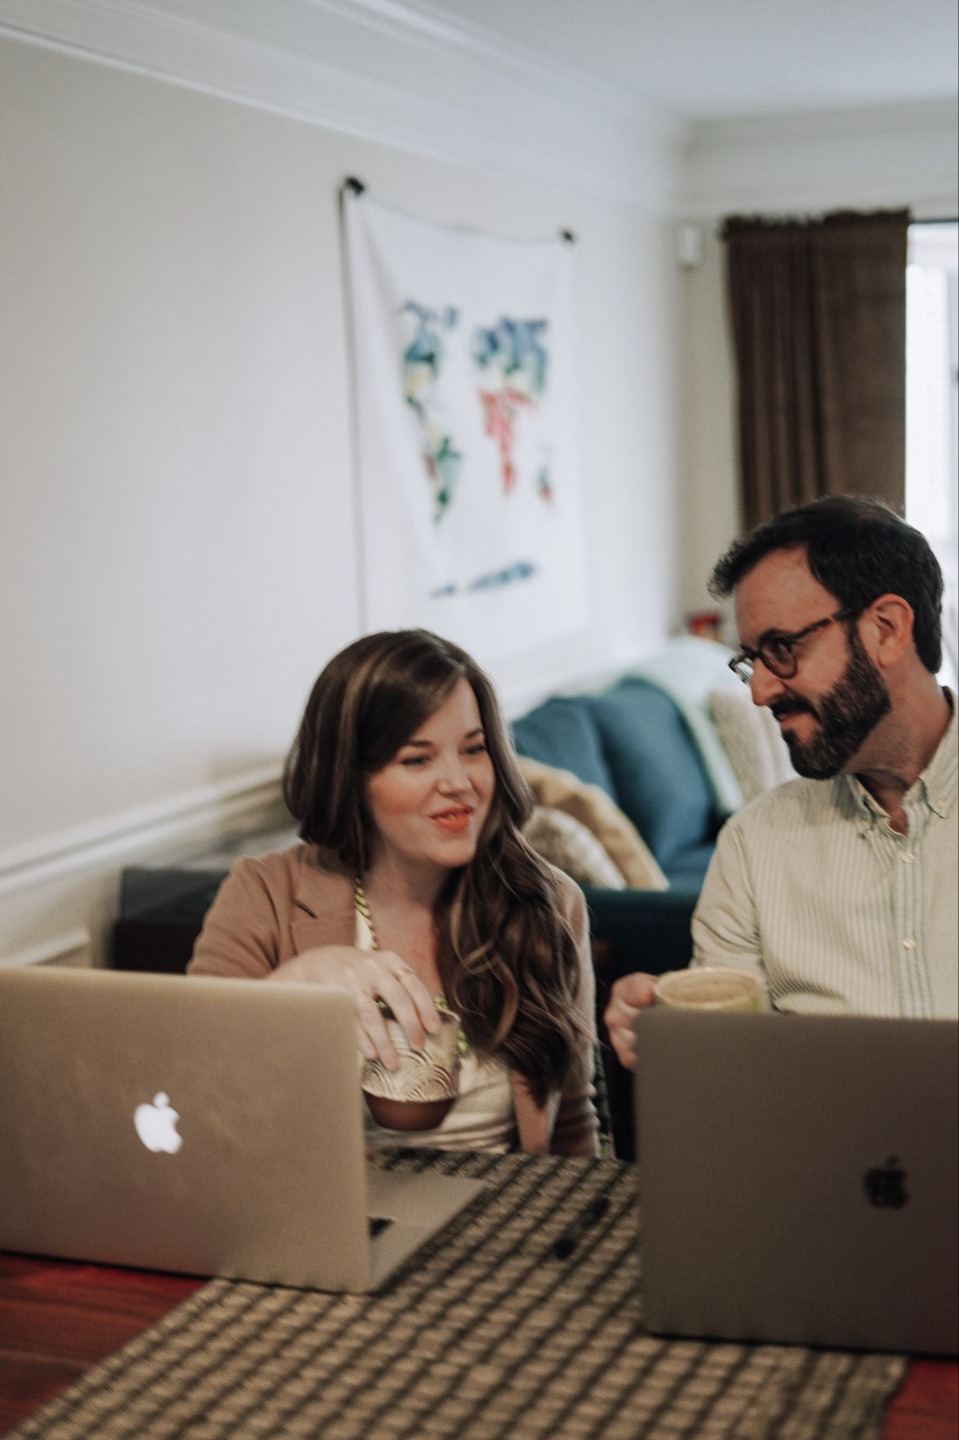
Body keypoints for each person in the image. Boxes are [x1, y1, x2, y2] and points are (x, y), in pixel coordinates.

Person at [189, 628, 599, 1155]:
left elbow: (572, 1121)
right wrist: (292, 982)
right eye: (417, 759)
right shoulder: (265, 894)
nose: (459, 782)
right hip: (326, 1203)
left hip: (501, 1202)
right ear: (350, 776)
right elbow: (195, 1096)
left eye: (473, 750)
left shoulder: (549, 902)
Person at [606, 496, 958, 1069]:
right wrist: (670, 1035)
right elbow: (732, 1071)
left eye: (782, 649)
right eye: (752, 659)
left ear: (887, 629)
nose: (760, 691)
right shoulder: (754, 847)